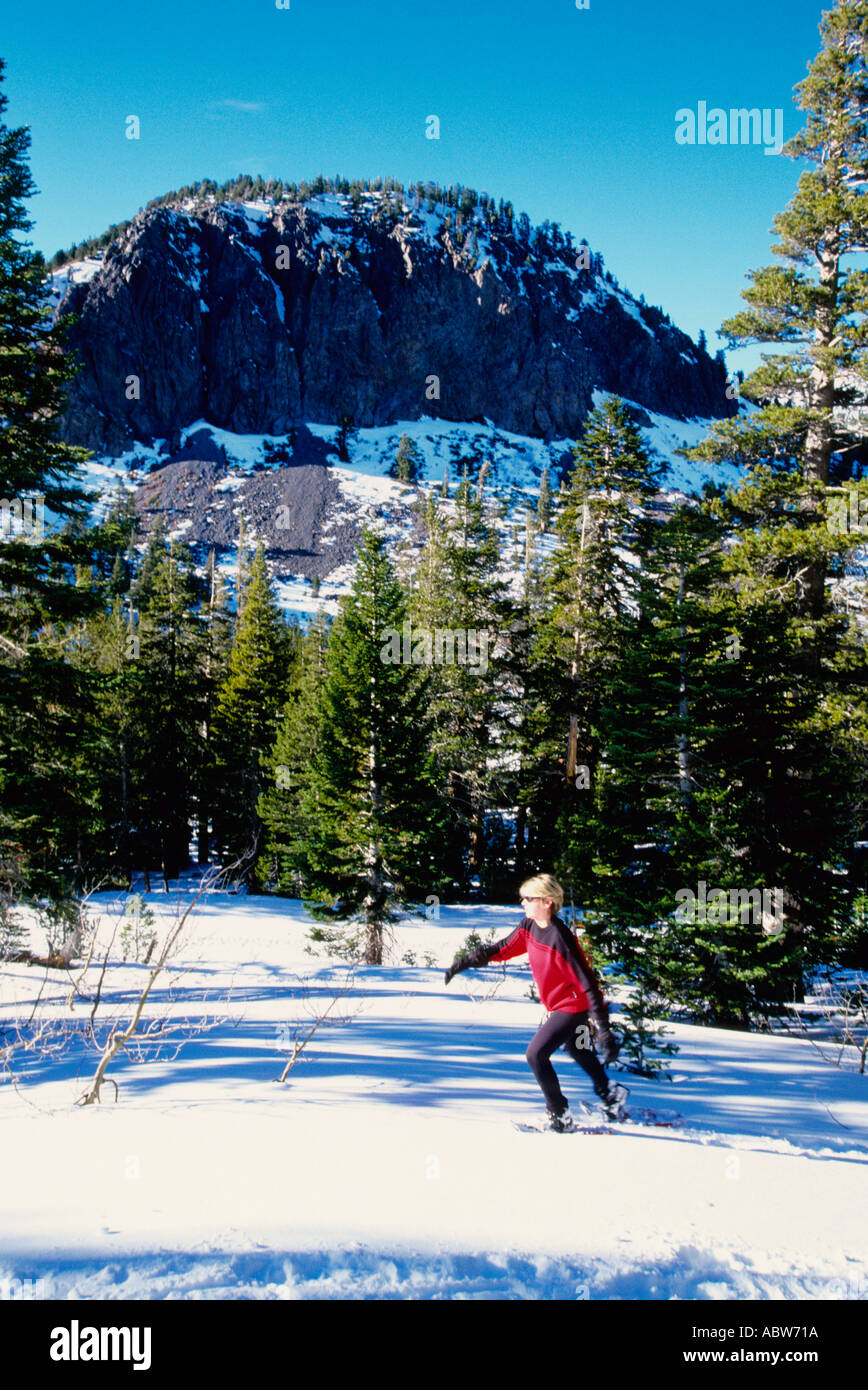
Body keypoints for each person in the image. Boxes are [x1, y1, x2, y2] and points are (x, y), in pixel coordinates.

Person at [444, 874, 628, 1130]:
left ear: (547, 901)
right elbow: (503, 948)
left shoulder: (560, 938)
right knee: (577, 1049)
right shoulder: (529, 926)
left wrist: (603, 1028)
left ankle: (559, 1114)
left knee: (536, 1055)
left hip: (572, 1005)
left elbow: (588, 982)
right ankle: (610, 1093)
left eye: (528, 898)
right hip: (562, 1005)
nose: (522, 902)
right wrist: (466, 961)